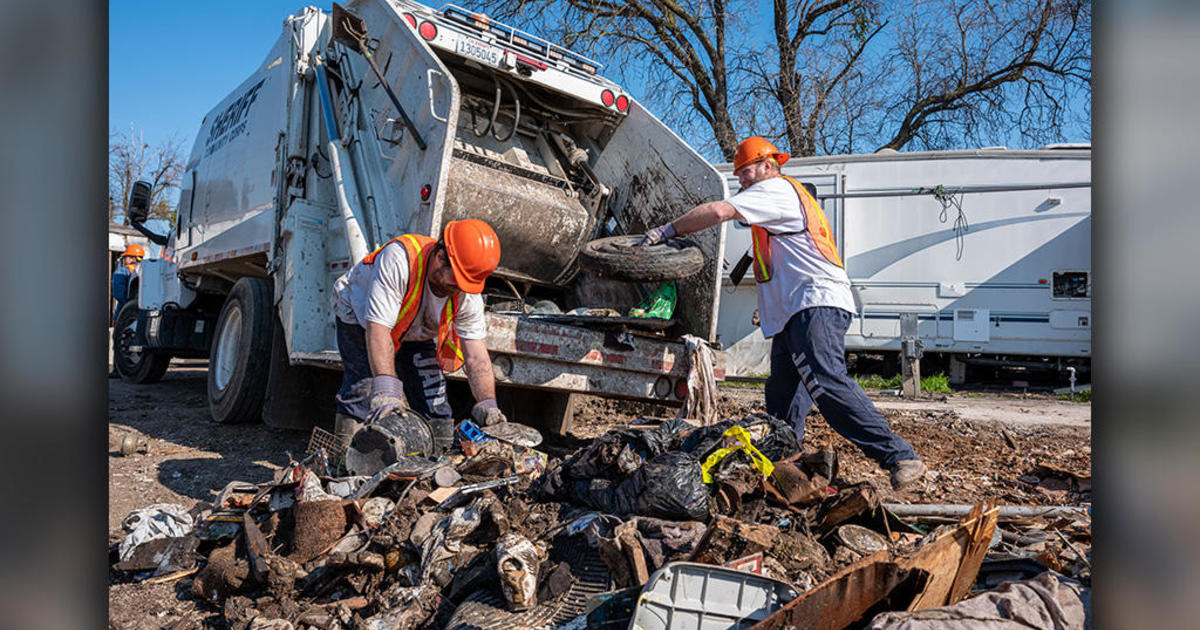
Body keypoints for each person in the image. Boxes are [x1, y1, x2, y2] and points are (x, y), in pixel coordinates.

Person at [639, 137, 927, 490]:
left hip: (814, 304)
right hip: (797, 311)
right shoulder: (774, 200)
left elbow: (718, 212)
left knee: (827, 382)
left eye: (745, 172)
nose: (742, 180)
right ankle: (787, 470)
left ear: (768, 165)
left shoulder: (774, 189)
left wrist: (666, 230)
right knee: (783, 400)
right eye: (739, 174)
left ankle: (899, 456)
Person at [330, 218, 508, 443]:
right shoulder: (400, 259)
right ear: (441, 257)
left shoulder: (466, 289)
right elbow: (378, 329)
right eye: (455, 283)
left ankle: (436, 460)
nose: (459, 291)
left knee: (434, 398)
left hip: (412, 329)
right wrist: (386, 389)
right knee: (364, 389)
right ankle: (346, 457)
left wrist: (487, 404)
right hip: (359, 316)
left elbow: (476, 357)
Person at [110, 244, 145, 378]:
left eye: (126, 257)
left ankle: (118, 371)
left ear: (132, 257)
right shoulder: (144, 271)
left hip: (125, 313)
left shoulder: (122, 271)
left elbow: (118, 293)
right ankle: (131, 368)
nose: (125, 259)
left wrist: (127, 307)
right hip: (141, 312)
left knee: (120, 340)